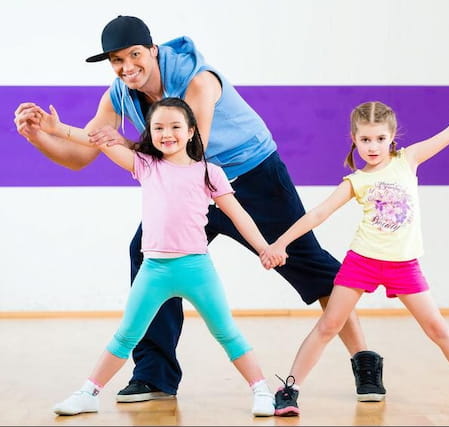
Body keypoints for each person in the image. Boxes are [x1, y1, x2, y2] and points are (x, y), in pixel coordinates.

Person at [13, 15, 385, 403]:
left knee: (307, 262)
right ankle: (154, 376)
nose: (127, 67)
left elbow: (191, 154)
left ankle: (364, 360)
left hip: (251, 175)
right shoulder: (119, 94)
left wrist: (98, 138)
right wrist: (42, 135)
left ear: (152, 50)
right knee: (148, 255)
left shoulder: (198, 80)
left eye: (135, 55)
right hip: (186, 187)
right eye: (117, 60)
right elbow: (80, 157)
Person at [260, 92, 449, 417]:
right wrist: (279, 244)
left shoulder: (408, 160)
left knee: (437, 328)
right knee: (330, 324)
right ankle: (290, 390)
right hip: (362, 262)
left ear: (392, 138)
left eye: (380, 138)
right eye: (365, 139)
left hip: (403, 265)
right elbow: (317, 214)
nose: (373, 146)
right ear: (354, 139)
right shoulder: (356, 180)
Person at [32, 97, 282, 416]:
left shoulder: (210, 172)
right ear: (149, 132)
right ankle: (88, 393)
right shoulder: (145, 165)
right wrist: (58, 129)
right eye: (158, 127)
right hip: (154, 270)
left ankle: (261, 391)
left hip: (196, 268)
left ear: (191, 131)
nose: (167, 133)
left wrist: (264, 247)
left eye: (175, 126)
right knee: (126, 335)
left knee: (226, 332)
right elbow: (99, 140)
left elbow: (239, 215)